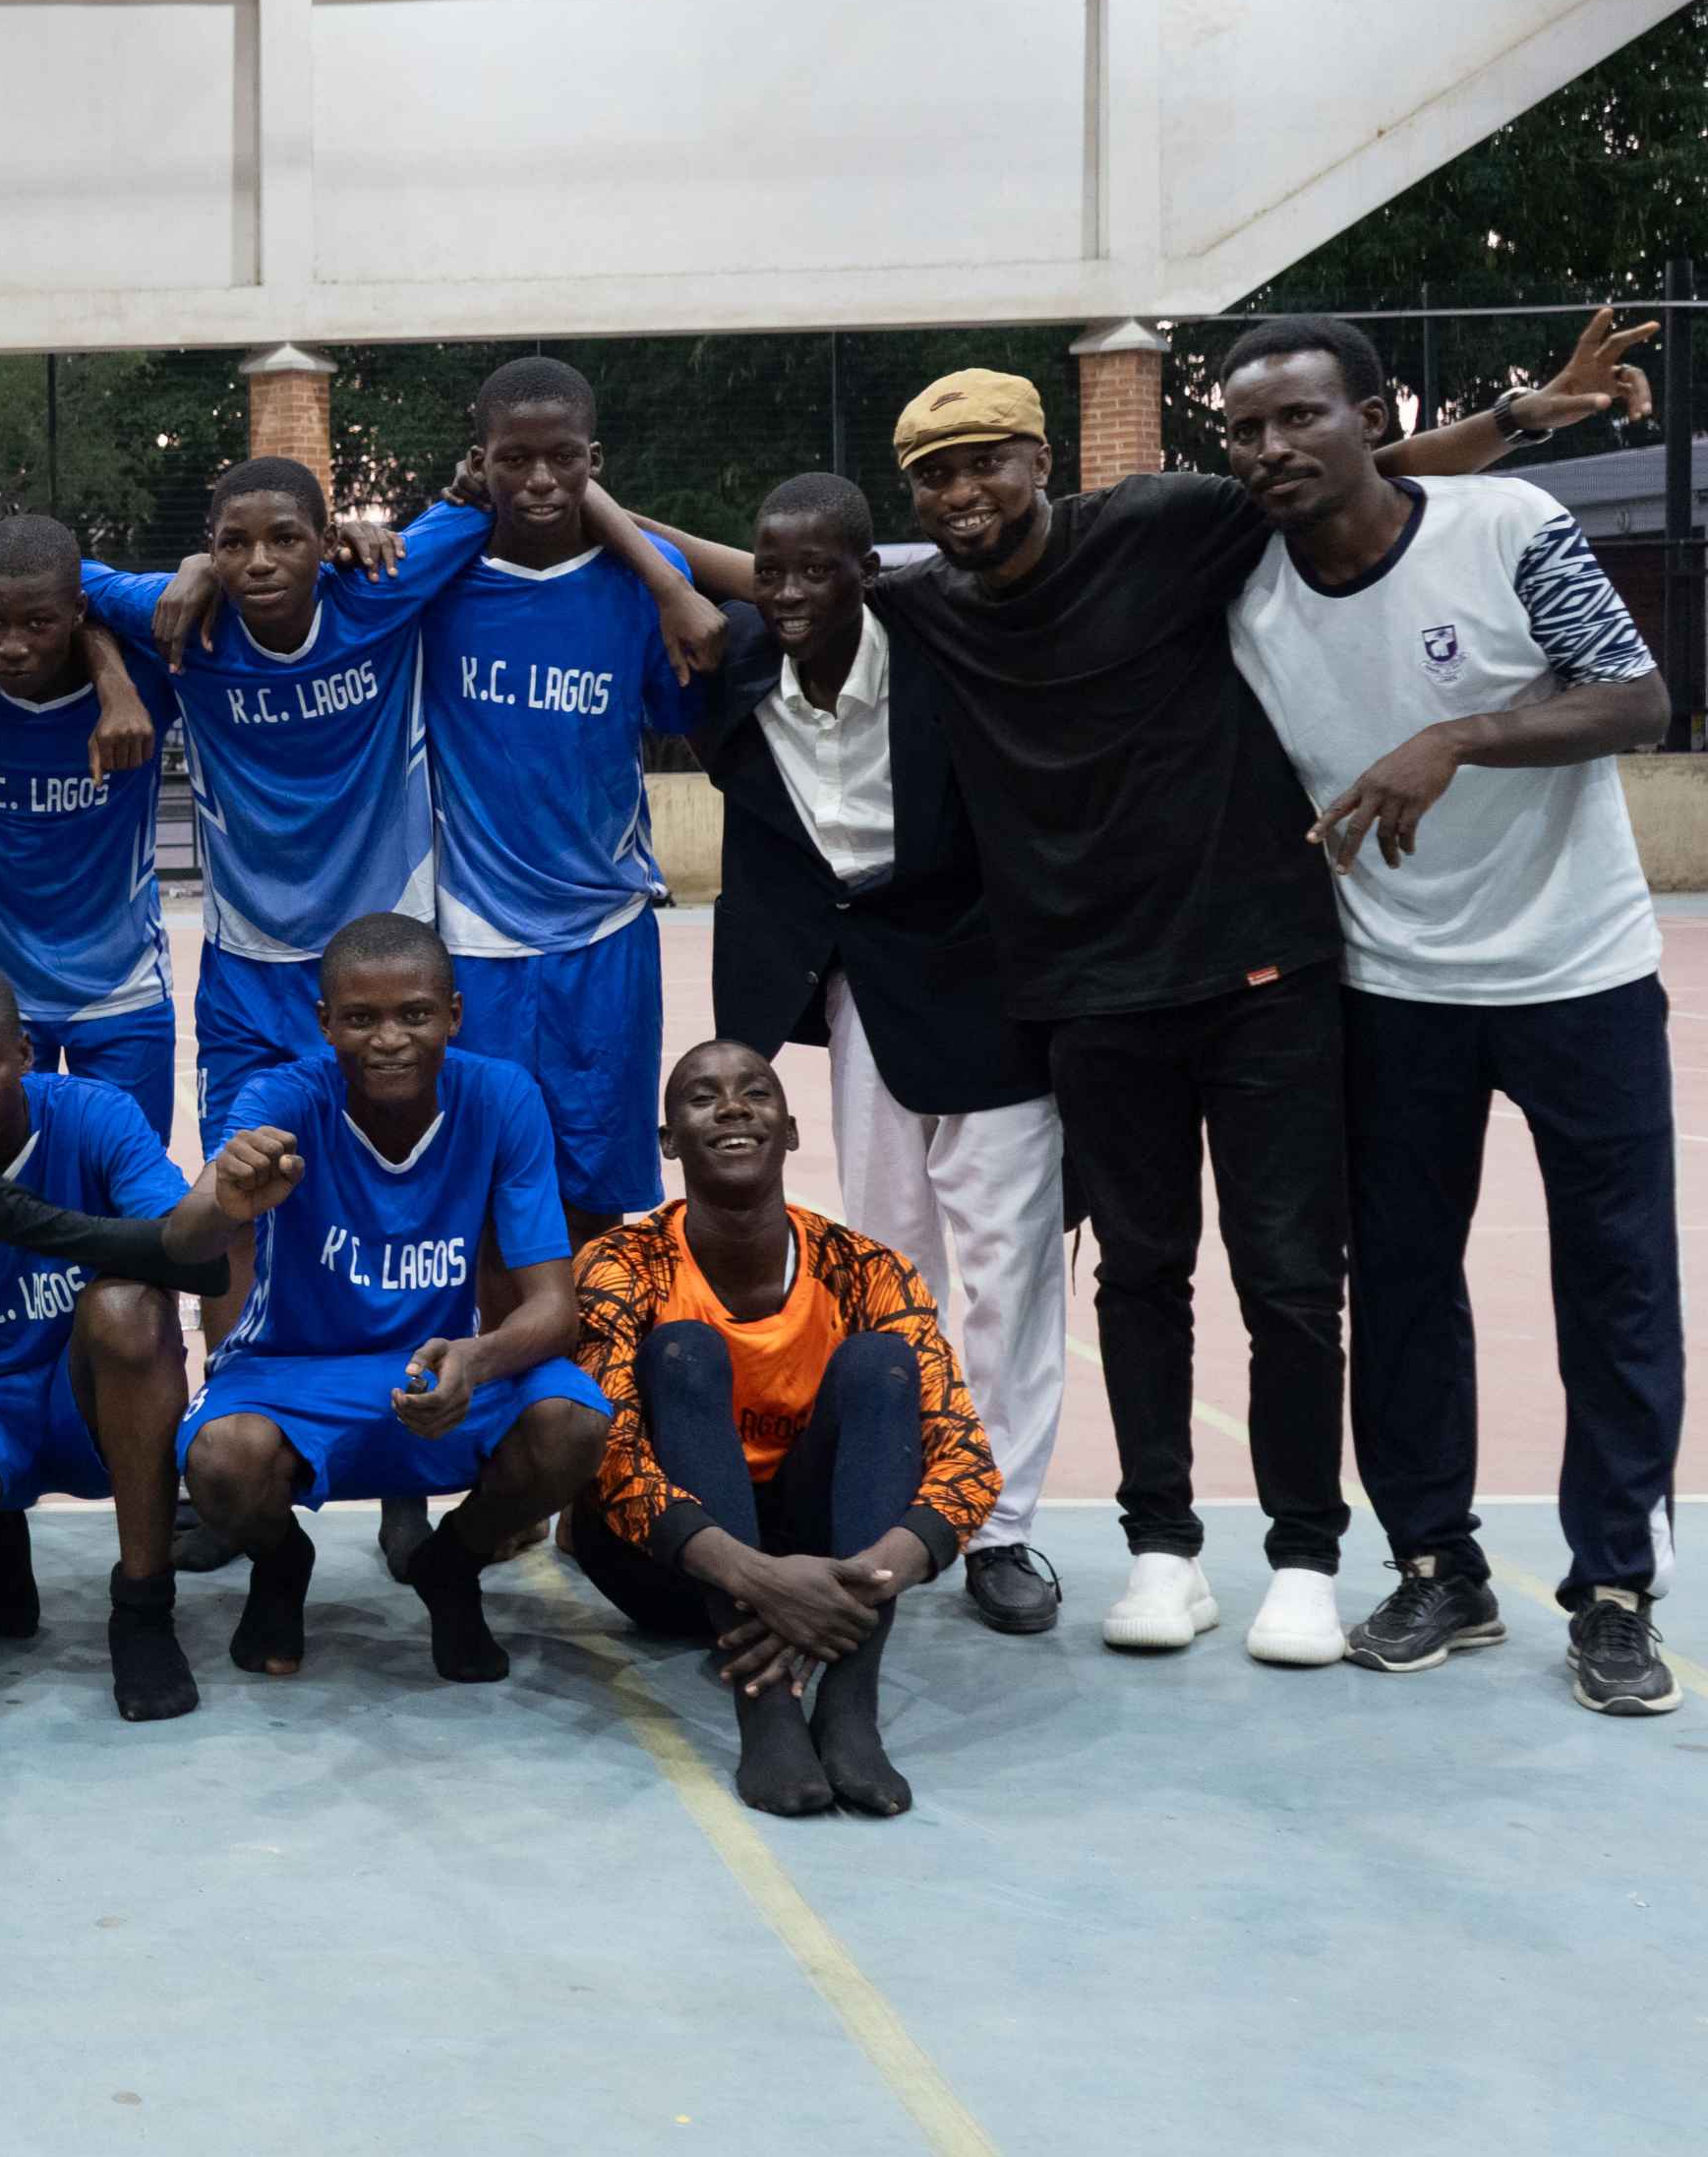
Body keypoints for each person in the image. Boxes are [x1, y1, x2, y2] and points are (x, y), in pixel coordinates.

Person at [639, 327, 1636, 1670]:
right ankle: (1162, 1544)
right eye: (934, 476)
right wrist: (581, 501)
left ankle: (1301, 1551)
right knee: (1139, 1274)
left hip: (1262, 967)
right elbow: (773, 575)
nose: (963, 491)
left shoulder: (1164, 521)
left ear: (1039, 458)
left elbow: (1354, 470)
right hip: (1087, 992)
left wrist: (1516, 414)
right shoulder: (927, 604)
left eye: (985, 462)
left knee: (1292, 1277)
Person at [1216, 310, 1682, 1714]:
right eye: (1245, 428)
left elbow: (1643, 698)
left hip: (1581, 967)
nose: (1273, 447)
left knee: (1614, 1275)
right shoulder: (1242, 586)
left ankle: (1612, 1585)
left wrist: (1459, 732)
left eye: (1304, 416)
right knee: (1404, 1282)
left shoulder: (1507, 525)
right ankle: (1440, 1562)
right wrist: (1522, 407)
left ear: (1372, 413)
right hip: (1393, 985)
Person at [681, 471, 1069, 1638]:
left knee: (1007, 1264)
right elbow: (658, 549)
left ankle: (998, 1528)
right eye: (770, 569)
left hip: (985, 976)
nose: (787, 590)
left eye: (814, 570)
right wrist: (602, 509)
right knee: (888, 1264)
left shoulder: (936, 648)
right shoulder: (741, 663)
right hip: (857, 988)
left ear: (866, 572)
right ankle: (899, 1506)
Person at [0, 959, 299, 1721]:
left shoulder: (96, 1117)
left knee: (123, 1306)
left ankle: (144, 1606)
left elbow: (197, 1264)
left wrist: (1, 1211)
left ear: (24, 1052)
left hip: (95, 1393)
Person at [568, 1043, 1004, 1819]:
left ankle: (849, 1705)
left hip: (826, 1574)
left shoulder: (868, 1269)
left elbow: (965, 1460)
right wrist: (757, 1578)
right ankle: (765, 1707)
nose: (732, 1107)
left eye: (755, 1092)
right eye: (702, 1097)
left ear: (792, 1130)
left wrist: (860, 1583)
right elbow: (611, 1460)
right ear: (668, 1142)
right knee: (683, 1352)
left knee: (881, 1363)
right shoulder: (620, 1263)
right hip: (669, 1568)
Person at [179, 914, 613, 1686]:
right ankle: (282, 1564)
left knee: (574, 1422)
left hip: (440, 1365)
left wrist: (477, 1360)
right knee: (221, 1461)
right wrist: (227, 1203)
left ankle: (453, 1564)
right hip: (295, 1371)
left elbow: (555, 1309)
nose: (388, 1039)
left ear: (453, 1013)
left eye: (413, 1013)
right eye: (360, 1018)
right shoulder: (281, 1098)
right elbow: (181, 1241)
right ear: (325, 1024)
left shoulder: (502, 1097)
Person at [80, 458, 481, 1163]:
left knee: (390, 1179)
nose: (259, 562)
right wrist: (126, 666)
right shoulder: (186, 618)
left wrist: (368, 529)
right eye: (235, 544)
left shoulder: (381, 590)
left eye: (286, 539)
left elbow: (486, 502)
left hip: (386, 958)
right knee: (236, 1188)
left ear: (325, 544)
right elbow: (61, 577)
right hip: (247, 968)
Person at [416, 356, 722, 1238]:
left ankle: (583, 1372)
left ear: (595, 459)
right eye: (515, 459)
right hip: (473, 932)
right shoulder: (442, 582)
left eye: (563, 458)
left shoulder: (643, 581)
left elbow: (695, 701)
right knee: (476, 1184)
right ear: (481, 461)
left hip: (606, 931)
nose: (541, 480)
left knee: (594, 1184)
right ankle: (483, 1369)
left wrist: (670, 585)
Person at [0, 515, 184, 1141]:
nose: (14, 645)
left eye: (39, 624)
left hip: (122, 993)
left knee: (122, 1208)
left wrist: (113, 678)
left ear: (76, 612)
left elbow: (207, 585)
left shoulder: (148, 676)